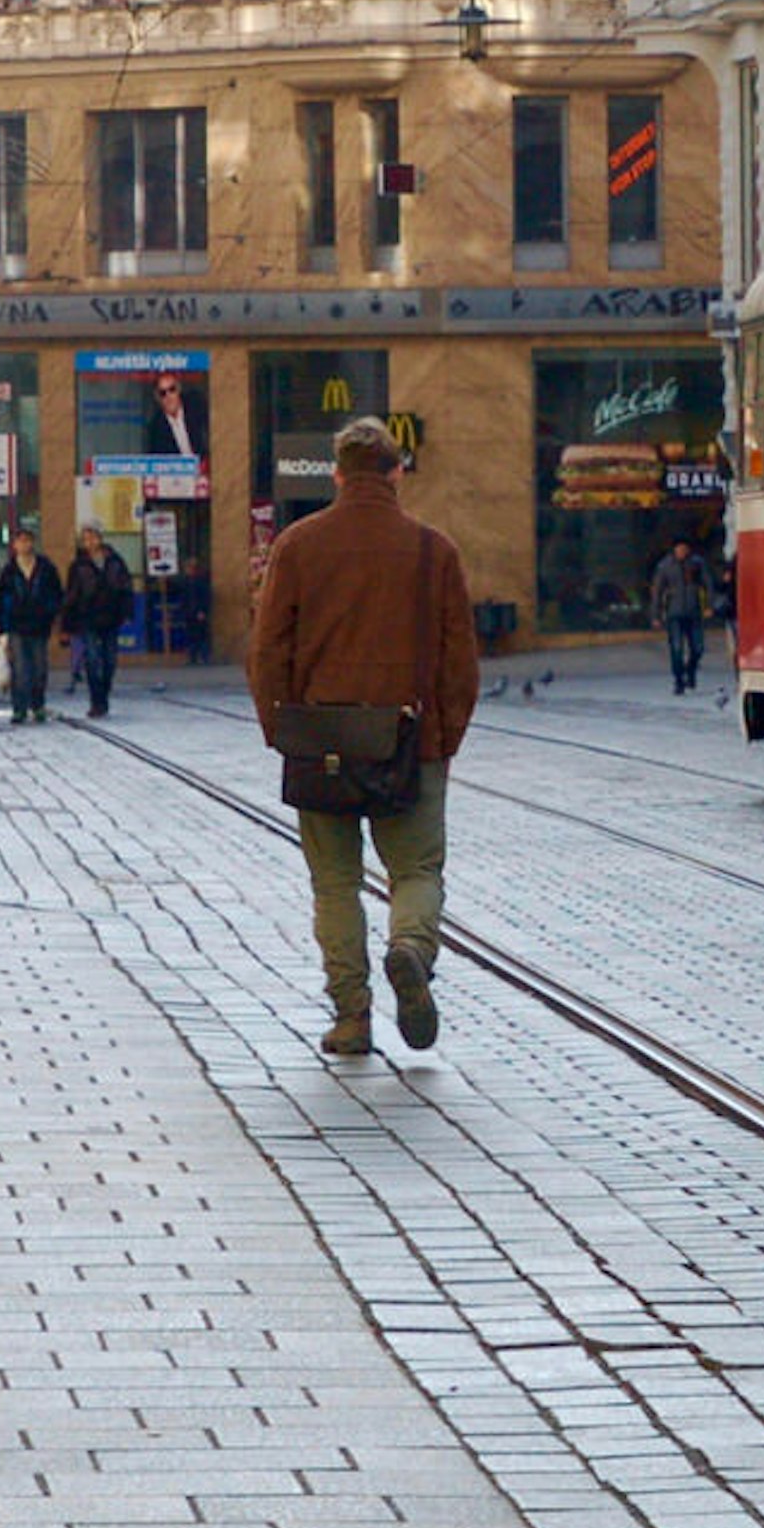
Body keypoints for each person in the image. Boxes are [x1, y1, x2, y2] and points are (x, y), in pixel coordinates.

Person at [250, 417, 480, 1059]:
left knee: (334, 885)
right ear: (397, 472)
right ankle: (409, 947)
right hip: (410, 739)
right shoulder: (435, 552)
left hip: (320, 740)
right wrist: (444, 736)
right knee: (415, 868)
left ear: (338, 474)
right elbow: (461, 661)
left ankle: (352, 1017)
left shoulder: (297, 545)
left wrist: (280, 728)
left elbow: (268, 649)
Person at [0, 522, 65, 723]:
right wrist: (1, 629)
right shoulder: (10, 571)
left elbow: (56, 594)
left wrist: (50, 613)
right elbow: (1, 602)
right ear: (14, 545)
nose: (24, 545)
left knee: (40, 667)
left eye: (27, 540)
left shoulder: (45, 568)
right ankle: (19, 708)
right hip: (17, 625)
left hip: (40, 625)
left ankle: (38, 704)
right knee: (21, 668)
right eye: (20, 541)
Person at [61, 524, 132, 719]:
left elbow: (126, 588)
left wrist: (127, 613)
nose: (90, 542)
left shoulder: (115, 562)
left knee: (109, 661)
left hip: (111, 618)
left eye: (93, 538)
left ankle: (104, 695)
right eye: (86, 539)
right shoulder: (78, 566)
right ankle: (96, 702)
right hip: (88, 619)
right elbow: (71, 595)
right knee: (92, 660)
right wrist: (67, 625)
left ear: (100, 539)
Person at [649, 535, 713, 696]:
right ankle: (679, 680)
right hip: (674, 613)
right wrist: (655, 614)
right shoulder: (665, 566)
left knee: (697, 648)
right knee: (676, 649)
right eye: (679, 549)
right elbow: (657, 591)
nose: (682, 552)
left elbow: (708, 584)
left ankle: (690, 671)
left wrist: (709, 605)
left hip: (693, 611)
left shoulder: (697, 563)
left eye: (685, 549)